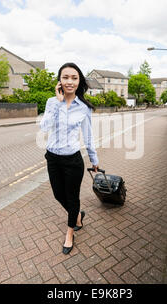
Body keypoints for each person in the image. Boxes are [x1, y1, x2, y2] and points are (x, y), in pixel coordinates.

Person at [40, 62, 100, 255]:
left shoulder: (83, 108)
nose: (69, 81)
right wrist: (58, 103)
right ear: (59, 80)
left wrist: (94, 159)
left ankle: (70, 232)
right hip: (53, 158)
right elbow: (44, 127)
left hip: (72, 160)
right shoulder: (51, 102)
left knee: (72, 197)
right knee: (59, 195)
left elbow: (88, 136)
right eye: (65, 77)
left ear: (79, 81)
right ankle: (77, 217)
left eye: (74, 78)